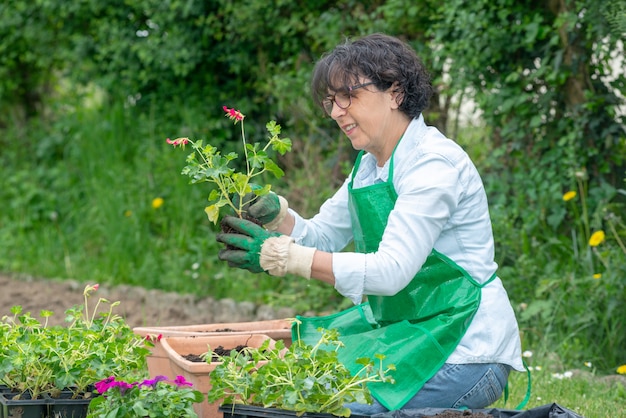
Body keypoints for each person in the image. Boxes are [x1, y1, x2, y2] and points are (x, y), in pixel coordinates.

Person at [216, 33, 525, 414]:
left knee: (331, 406)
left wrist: (287, 258)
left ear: (394, 91)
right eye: (331, 101)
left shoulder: (433, 164)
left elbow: (390, 272)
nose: (335, 111)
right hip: (411, 332)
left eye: (348, 96)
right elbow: (324, 236)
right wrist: (281, 218)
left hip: (465, 350)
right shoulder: (369, 166)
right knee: (300, 378)